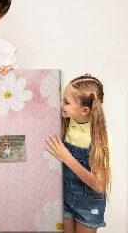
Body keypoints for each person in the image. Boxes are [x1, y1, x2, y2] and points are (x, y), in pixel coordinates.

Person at [45, 73, 112, 233]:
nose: (61, 103)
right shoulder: (64, 122)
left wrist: (67, 158)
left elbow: (100, 184)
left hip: (89, 203)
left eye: (66, 102)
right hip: (65, 196)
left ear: (84, 110)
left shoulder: (102, 137)